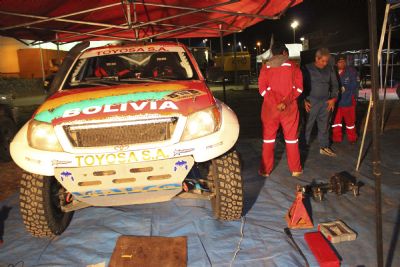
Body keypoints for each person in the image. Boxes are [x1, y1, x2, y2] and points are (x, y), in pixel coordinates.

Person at [258, 42, 303, 177]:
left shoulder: (265, 68)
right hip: (289, 110)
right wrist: (285, 102)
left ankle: (265, 170)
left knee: (268, 140)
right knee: (291, 140)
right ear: (284, 53)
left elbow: (262, 90)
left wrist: (276, 103)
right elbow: (299, 89)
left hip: (270, 110)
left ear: (273, 54)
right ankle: (295, 169)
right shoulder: (294, 67)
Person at [303, 48, 339, 157]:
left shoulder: (330, 69)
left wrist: (333, 99)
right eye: (322, 61)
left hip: (325, 102)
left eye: (326, 61)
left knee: (324, 126)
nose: (325, 63)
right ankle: (303, 147)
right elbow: (300, 86)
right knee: (307, 126)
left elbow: (335, 85)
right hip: (311, 102)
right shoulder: (306, 68)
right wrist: (304, 100)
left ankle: (324, 147)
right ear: (316, 58)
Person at [332, 55, 359, 144]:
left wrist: (345, 87)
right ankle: (336, 138)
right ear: (336, 63)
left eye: (343, 61)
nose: (342, 63)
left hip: (348, 102)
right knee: (336, 122)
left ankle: (352, 138)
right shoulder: (332, 72)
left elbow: (355, 84)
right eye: (340, 62)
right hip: (336, 102)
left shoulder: (351, 71)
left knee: (350, 122)